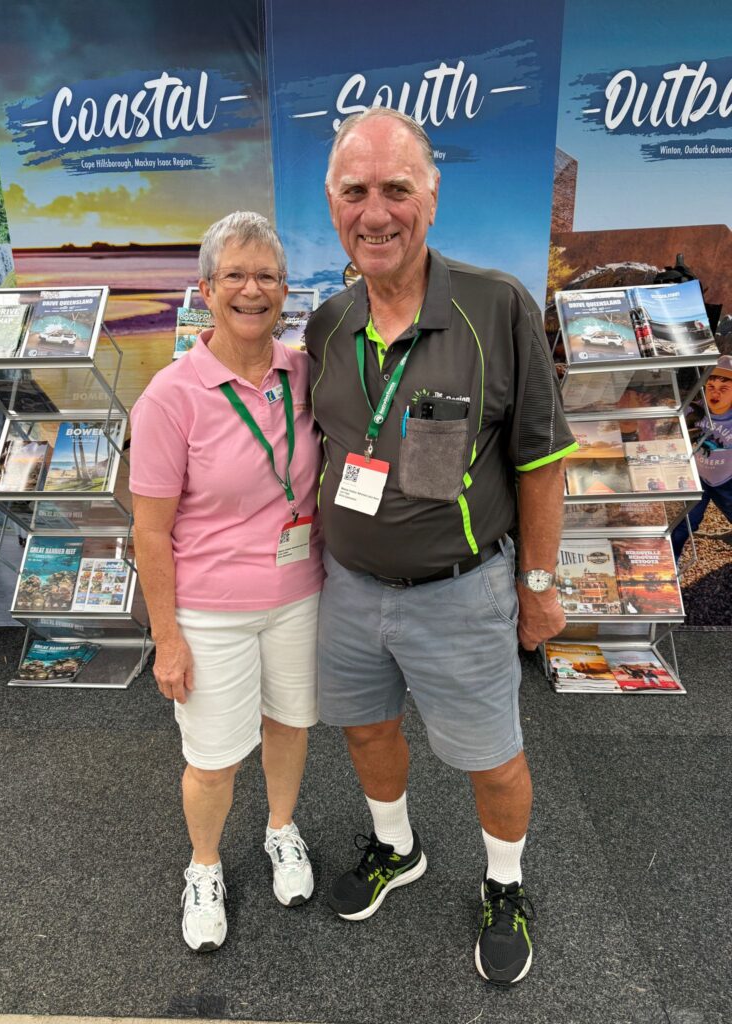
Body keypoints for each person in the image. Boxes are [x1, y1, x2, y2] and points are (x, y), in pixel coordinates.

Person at [305, 108, 577, 986]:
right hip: (348, 588)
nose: (375, 211)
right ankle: (398, 849)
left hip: (461, 593)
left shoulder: (497, 307)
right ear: (332, 203)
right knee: (366, 730)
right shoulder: (326, 321)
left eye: (397, 189)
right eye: (356, 191)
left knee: (492, 756)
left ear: (431, 196)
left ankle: (505, 884)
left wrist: (538, 585)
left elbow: (540, 462)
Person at [129, 212, 324, 952]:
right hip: (209, 610)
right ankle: (203, 866)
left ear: (285, 291)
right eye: (235, 276)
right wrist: (167, 637)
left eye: (267, 276)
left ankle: (281, 829)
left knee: (290, 724)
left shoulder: (304, 374)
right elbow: (150, 531)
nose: (252, 290)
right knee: (212, 758)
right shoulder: (170, 398)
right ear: (206, 289)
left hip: (298, 593)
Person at [672, 354, 732, 557]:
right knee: (682, 525)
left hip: (728, 480)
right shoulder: (694, 409)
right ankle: (672, 563)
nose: (715, 394)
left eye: (724, 390)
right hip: (697, 478)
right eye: (711, 387)